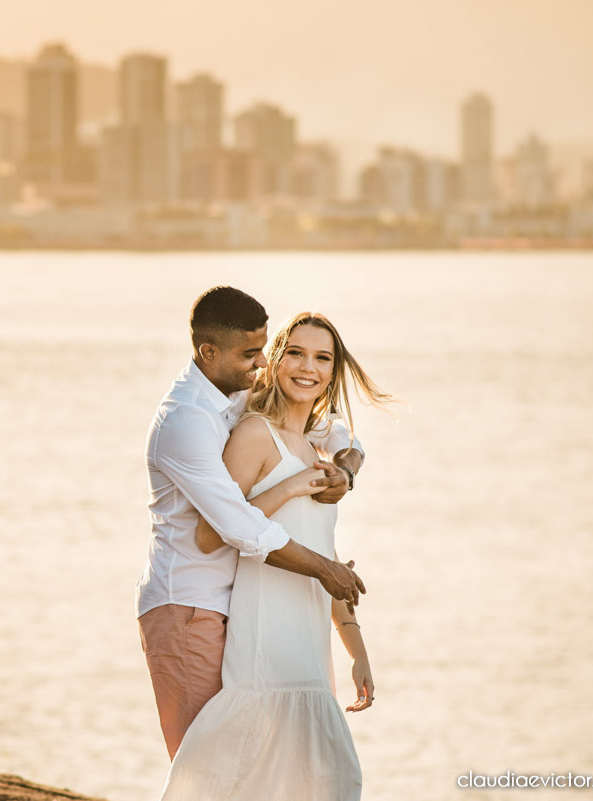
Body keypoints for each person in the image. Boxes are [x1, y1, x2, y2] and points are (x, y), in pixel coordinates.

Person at [158, 311, 392, 801]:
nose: (308, 366)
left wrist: (359, 652)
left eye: (322, 357)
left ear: (333, 371)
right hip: (267, 647)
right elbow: (210, 535)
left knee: (317, 784)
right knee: (249, 781)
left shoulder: (318, 450)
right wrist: (290, 486)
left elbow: (326, 564)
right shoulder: (253, 435)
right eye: (296, 352)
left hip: (309, 653)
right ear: (276, 359)